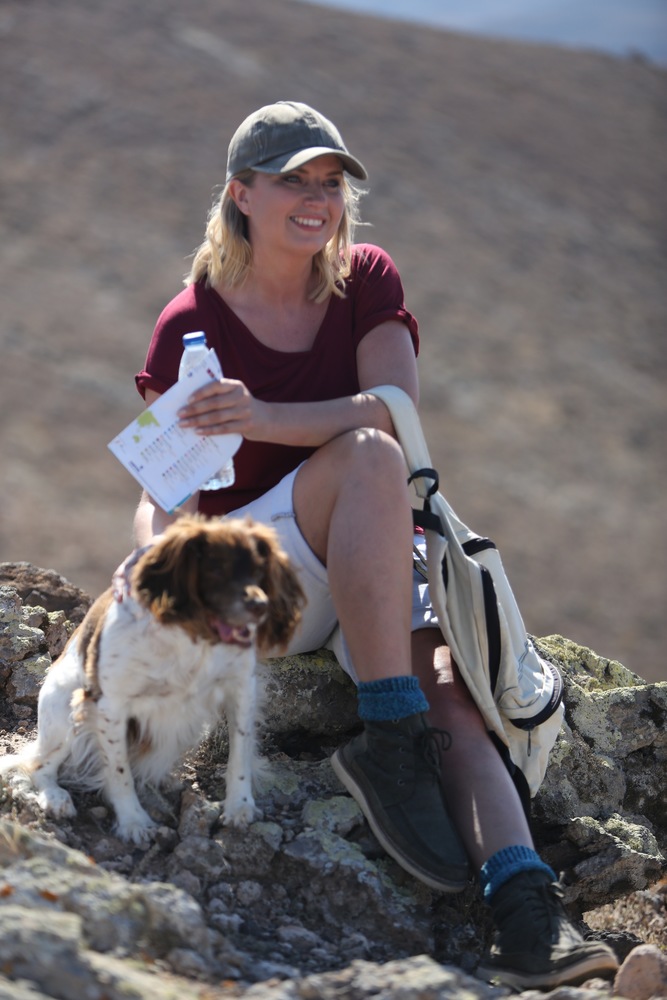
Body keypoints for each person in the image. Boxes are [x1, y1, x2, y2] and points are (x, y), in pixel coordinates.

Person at [132, 100, 618, 991]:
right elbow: (165, 495)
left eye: (330, 182)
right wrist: (157, 586)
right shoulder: (191, 325)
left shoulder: (366, 279)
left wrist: (261, 416)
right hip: (261, 581)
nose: (317, 200)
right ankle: (390, 729)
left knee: (452, 702)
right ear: (241, 193)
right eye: (293, 181)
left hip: (370, 564)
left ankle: (528, 917)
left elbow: (394, 410)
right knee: (364, 457)